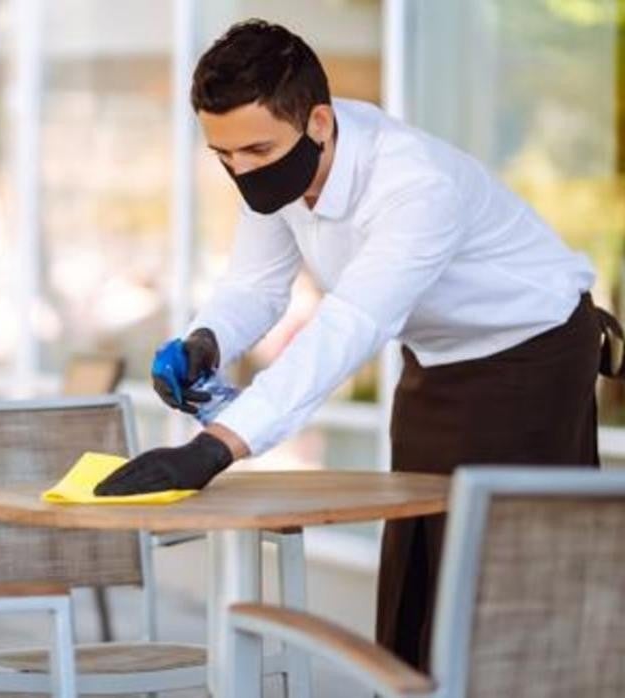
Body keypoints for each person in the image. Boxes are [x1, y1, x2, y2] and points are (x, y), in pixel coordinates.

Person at [95, 18, 615, 670]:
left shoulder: (415, 185)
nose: (240, 171)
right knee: (417, 562)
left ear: (317, 122)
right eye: (223, 156)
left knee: (505, 573)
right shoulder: (279, 170)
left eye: (254, 151)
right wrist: (208, 339)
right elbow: (255, 286)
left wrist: (215, 448)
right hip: (437, 360)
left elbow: (348, 328)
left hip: (534, 355)